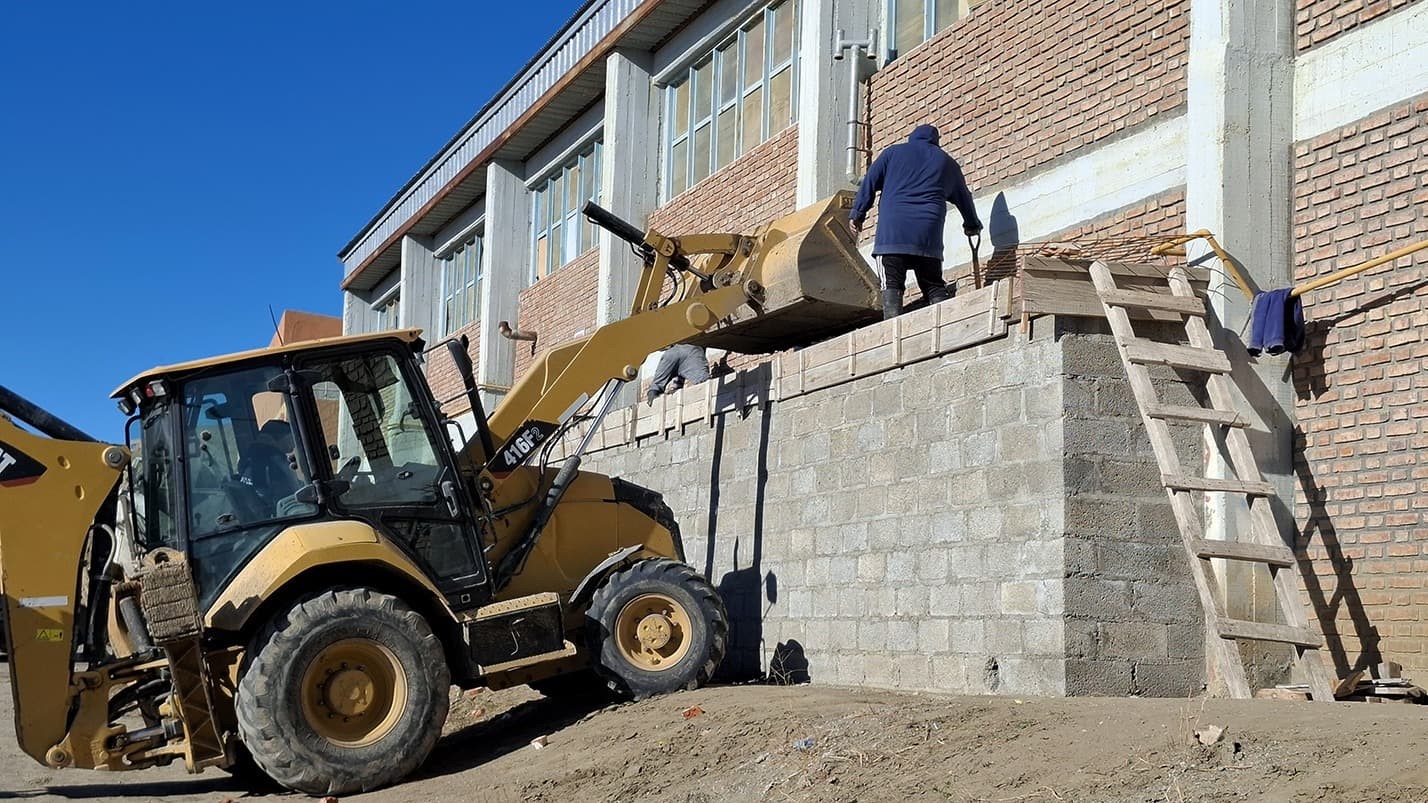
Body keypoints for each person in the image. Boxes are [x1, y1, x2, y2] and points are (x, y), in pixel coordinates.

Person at [849, 124, 983, 320]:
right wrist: (972, 225)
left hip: (892, 237)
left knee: (891, 287)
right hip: (928, 239)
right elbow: (964, 197)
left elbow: (869, 182)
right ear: (936, 141)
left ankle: (893, 336)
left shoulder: (892, 154)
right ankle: (945, 324)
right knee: (934, 285)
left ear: (911, 138)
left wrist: (858, 213)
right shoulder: (947, 163)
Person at [237, 419, 302, 507]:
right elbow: (294, 492)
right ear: (283, 437)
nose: (295, 443)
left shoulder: (246, 460)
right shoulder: (277, 460)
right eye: (292, 437)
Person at [646, 344, 710, 404]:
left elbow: (660, 378)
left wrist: (653, 391)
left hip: (678, 353)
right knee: (704, 381)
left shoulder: (671, 353)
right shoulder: (692, 350)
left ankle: (653, 395)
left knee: (703, 383)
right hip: (695, 351)